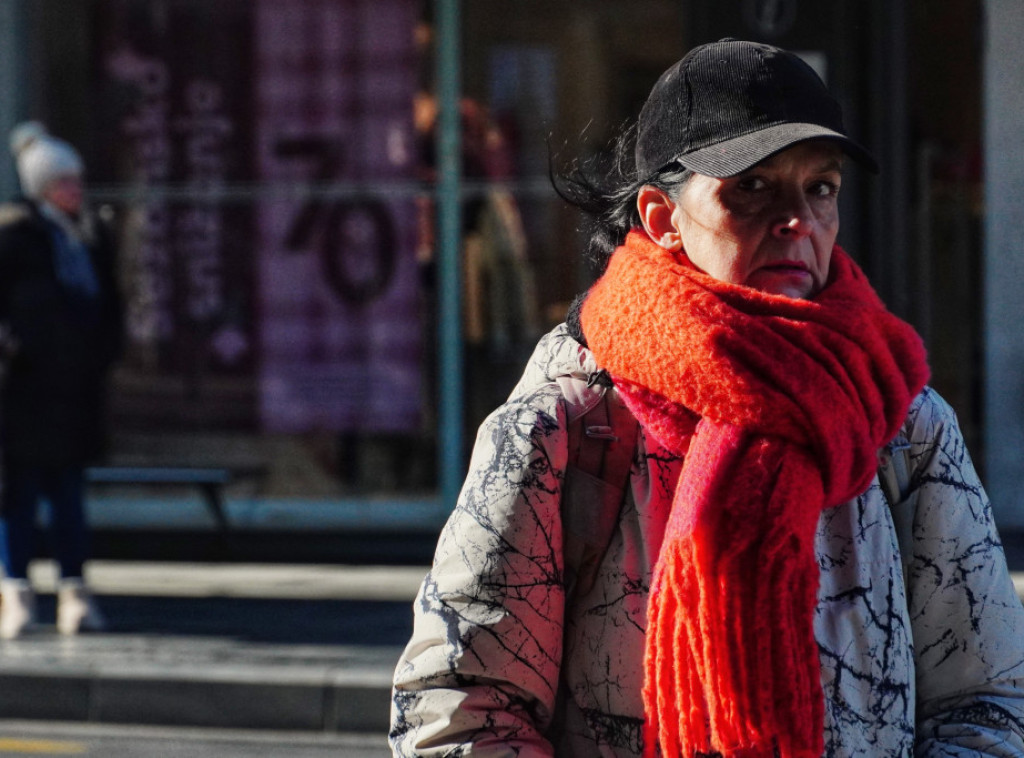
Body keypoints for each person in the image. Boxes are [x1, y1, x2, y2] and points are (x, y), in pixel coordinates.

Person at [389, 39, 1024, 757]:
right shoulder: (568, 425)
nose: (798, 220)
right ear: (662, 217)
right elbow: (463, 712)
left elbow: (987, 698)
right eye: (750, 187)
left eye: (821, 187)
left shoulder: (899, 419)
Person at [0, 122, 123, 639]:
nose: (76, 190)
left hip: (72, 395)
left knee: (69, 498)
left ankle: (74, 594)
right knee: (17, 499)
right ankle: (17, 597)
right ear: (43, 188)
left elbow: (108, 309)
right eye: (65, 182)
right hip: (22, 396)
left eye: (77, 180)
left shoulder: (89, 239)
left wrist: (103, 356)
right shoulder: (14, 238)